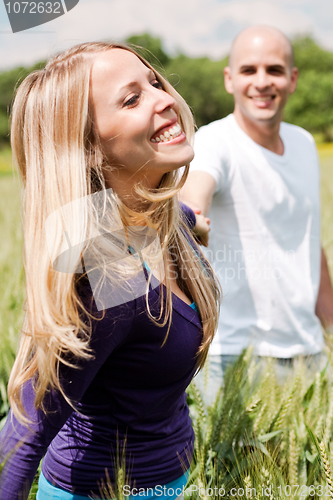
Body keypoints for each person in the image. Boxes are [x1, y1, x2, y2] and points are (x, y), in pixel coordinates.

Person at [0, 42, 220, 499]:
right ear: (90, 149)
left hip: (166, 480)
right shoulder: (104, 288)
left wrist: (196, 220)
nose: (164, 98)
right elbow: (17, 449)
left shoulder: (153, 223)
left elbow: (181, 216)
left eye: (154, 82)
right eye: (132, 98)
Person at [180, 25, 333, 402]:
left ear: (293, 79)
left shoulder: (304, 143)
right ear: (230, 79)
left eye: (275, 70)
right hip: (231, 357)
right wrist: (191, 215)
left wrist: (329, 329)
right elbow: (194, 193)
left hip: (308, 352)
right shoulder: (215, 141)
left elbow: (307, 241)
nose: (262, 82)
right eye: (249, 70)